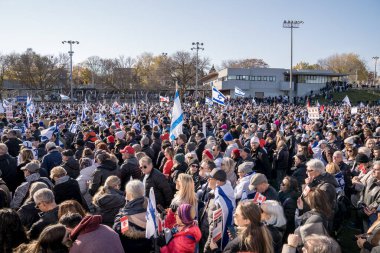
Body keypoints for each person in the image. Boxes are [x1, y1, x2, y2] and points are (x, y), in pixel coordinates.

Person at [113, 180, 151, 253]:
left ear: (129, 194)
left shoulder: (123, 216)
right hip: (147, 248)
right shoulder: (152, 209)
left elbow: (117, 235)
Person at [205, 169, 236, 251]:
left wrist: (207, 247)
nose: (208, 180)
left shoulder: (220, 201)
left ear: (218, 182)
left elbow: (214, 228)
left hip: (215, 240)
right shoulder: (226, 188)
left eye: (210, 178)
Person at [278, 176, 300, 241]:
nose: (280, 184)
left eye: (283, 184)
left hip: (287, 229)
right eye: (281, 182)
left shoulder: (290, 200)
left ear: (288, 187)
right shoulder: (281, 193)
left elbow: (289, 218)